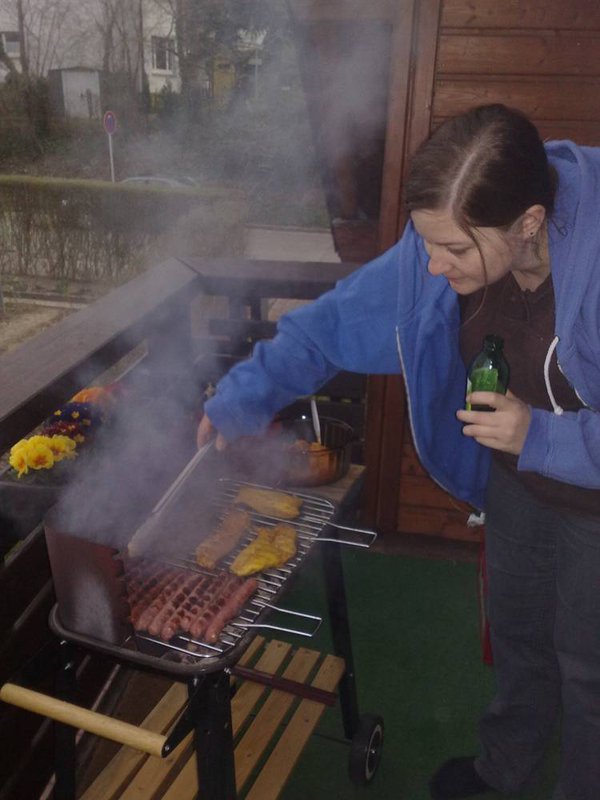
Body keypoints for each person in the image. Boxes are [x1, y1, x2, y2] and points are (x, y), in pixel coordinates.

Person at [197, 104, 600, 800]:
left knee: (590, 669)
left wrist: (542, 434)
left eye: (456, 251)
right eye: (427, 245)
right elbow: (336, 320)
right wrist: (246, 394)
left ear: (529, 222)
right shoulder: (443, 243)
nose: (436, 266)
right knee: (521, 639)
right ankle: (503, 775)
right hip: (517, 488)